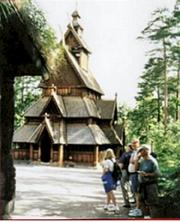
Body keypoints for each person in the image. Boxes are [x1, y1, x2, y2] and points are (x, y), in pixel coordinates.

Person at [135, 145, 161, 218]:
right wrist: (137, 159)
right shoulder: (142, 160)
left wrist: (147, 174)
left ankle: (153, 218)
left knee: (152, 204)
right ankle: (146, 217)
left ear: (146, 151)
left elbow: (158, 173)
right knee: (141, 201)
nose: (139, 153)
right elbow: (135, 169)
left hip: (151, 186)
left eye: (141, 151)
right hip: (142, 185)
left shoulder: (152, 161)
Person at [101, 148, 120, 213]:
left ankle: (115, 206)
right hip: (112, 176)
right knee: (108, 192)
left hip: (107, 176)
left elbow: (106, 169)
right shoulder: (113, 160)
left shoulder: (107, 161)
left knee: (110, 192)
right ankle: (107, 205)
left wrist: (102, 176)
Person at [128, 138, 143, 217]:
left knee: (137, 192)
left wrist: (134, 161)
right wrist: (133, 161)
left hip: (136, 173)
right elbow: (131, 161)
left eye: (135, 143)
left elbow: (136, 161)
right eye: (132, 143)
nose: (133, 145)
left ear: (138, 143)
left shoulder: (139, 151)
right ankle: (137, 208)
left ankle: (138, 209)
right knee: (134, 191)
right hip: (132, 173)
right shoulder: (134, 151)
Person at [119, 144, 133, 208]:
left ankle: (127, 202)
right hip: (133, 173)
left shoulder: (125, 154)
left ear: (129, 148)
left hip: (125, 172)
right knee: (133, 188)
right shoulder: (135, 154)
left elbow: (121, 165)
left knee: (124, 187)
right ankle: (135, 202)